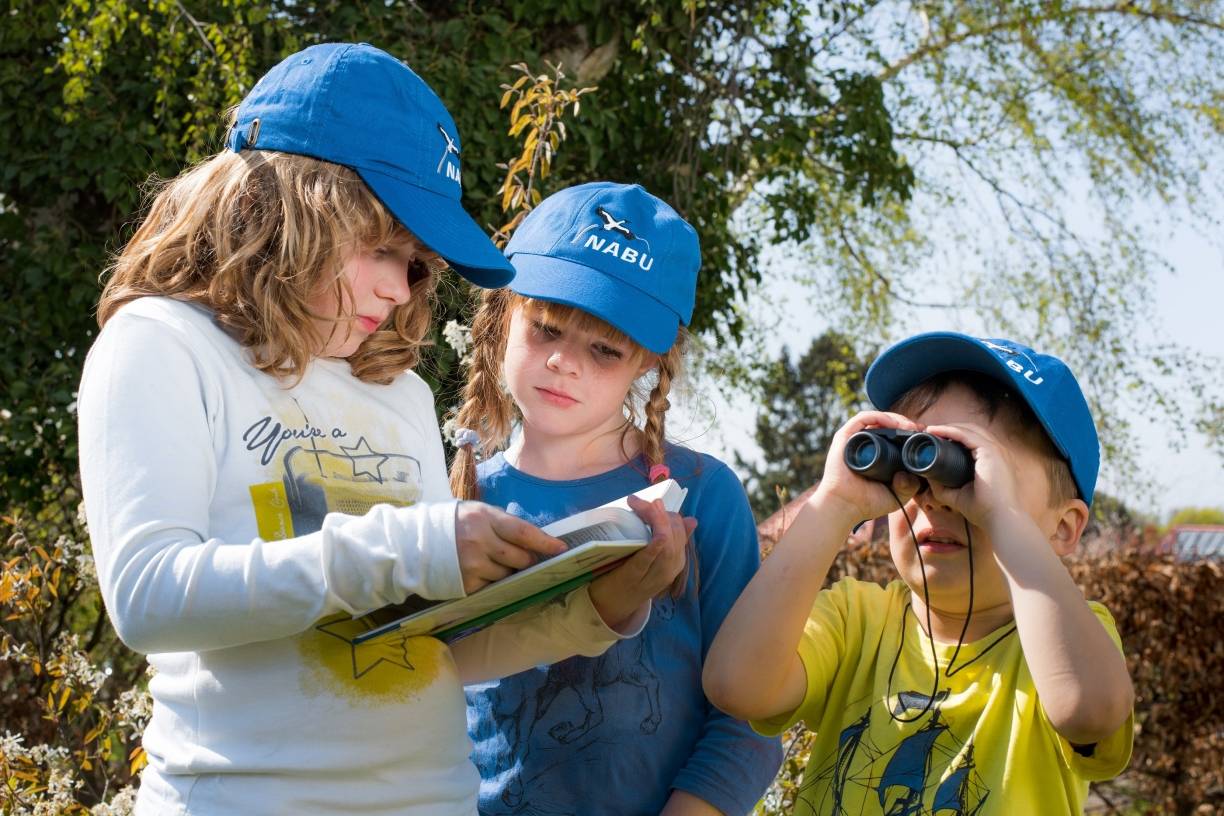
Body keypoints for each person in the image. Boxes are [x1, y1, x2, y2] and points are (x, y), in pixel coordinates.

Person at [77, 43, 688, 815]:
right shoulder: (162, 344)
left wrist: (598, 610)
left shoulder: (396, 392)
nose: (401, 291)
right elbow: (147, 597)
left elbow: (430, 645)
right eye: (383, 251)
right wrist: (414, 548)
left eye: (417, 265)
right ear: (286, 208)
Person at [451, 182, 784, 816]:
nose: (564, 362)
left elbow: (749, 717)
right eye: (546, 328)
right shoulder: (463, 504)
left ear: (649, 361)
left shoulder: (702, 496)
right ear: (502, 315)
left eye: (604, 348)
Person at [703, 332, 1135, 815]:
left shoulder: (1067, 642)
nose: (935, 497)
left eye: (972, 469)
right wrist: (834, 502)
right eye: (914, 459)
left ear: (1064, 527)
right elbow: (735, 685)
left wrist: (1001, 515)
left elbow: (1088, 711)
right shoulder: (855, 620)